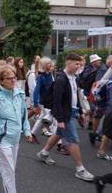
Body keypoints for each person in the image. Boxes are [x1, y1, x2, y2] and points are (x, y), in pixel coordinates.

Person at [37, 53, 94, 182]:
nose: (78, 67)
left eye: (80, 64)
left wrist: (79, 111)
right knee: (73, 140)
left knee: (58, 134)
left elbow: (76, 95)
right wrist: (60, 119)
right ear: (68, 63)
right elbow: (57, 101)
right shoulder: (61, 79)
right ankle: (80, 169)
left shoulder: (74, 77)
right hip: (64, 114)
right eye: (76, 64)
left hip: (71, 112)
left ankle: (44, 153)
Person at [0, 65, 32, 193]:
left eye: (14, 77)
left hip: (15, 139)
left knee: (9, 168)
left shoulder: (18, 93)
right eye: (9, 78)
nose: (13, 80)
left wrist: (27, 130)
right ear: (1, 80)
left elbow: (24, 114)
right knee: (9, 174)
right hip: (1, 141)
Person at [89, 55, 112, 145]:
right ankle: (95, 134)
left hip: (107, 98)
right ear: (110, 61)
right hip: (103, 98)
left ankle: (98, 134)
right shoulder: (104, 70)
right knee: (100, 116)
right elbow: (99, 84)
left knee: (107, 117)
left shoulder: (108, 69)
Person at [31, 57, 55, 143]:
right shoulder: (42, 76)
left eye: (51, 63)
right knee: (51, 119)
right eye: (49, 64)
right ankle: (59, 143)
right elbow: (36, 90)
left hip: (50, 101)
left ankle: (32, 134)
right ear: (45, 66)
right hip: (44, 102)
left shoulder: (51, 75)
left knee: (42, 118)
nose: (51, 65)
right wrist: (35, 104)